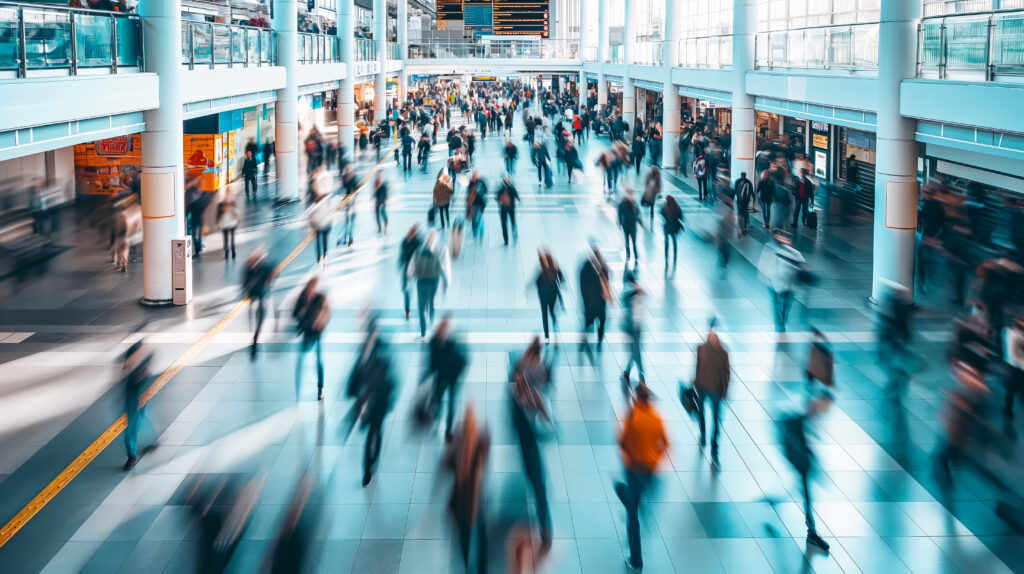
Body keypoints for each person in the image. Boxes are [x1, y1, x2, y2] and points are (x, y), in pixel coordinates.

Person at [613, 383, 668, 571]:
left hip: (634, 470)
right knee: (638, 500)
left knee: (632, 512)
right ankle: (634, 502)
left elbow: (622, 442)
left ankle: (636, 559)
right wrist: (654, 460)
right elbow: (666, 444)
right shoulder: (657, 418)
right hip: (650, 471)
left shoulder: (632, 417)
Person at [511, 338, 553, 547]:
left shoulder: (520, 364)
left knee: (534, 477)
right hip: (530, 430)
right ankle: (545, 527)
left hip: (524, 430)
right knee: (539, 484)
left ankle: (544, 526)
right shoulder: (537, 372)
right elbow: (543, 388)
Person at [445, 406, 490, 574]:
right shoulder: (480, 444)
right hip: (474, 501)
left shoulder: (458, 448)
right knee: (480, 537)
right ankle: (479, 568)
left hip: (460, 502)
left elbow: (447, 465)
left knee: (464, 539)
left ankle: (468, 567)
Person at [423, 316, 468, 440]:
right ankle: (436, 418)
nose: (445, 333)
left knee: (451, 404)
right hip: (441, 378)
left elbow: (462, 360)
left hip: (452, 378)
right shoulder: (434, 343)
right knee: (438, 401)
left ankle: (448, 430)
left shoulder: (451, 343)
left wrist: (458, 370)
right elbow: (431, 361)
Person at [694, 321, 730, 469]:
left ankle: (714, 449)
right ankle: (703, 433)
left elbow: (727, 374)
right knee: (701, 412)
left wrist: (724, 391)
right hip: (703, 387)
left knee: (716, 420)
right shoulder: (701, 349)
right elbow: (697, 367)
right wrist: (695, 382)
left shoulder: (723, 353)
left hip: (715, 390)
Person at [758, 231, 805, 332]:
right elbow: (764, 264)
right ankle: (779, 323)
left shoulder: (796, 253)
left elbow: (802, 267)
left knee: (786, 305)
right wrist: (766, 277)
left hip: (789, 285)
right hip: (774, 283)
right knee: (777, 304)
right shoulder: (771, 249)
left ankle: (782, 321)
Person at [293, 276, 330, 401]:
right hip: (306, 332)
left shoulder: (320, 298)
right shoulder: (303, 297)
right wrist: (302, 312)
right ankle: (298, 388)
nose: (310, 291)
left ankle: (320, 387)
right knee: (301, 360)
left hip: (316, 332)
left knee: (319, 361)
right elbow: (295, 313)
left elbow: (326, 313)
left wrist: (320, 323)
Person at [408, 231, 450, 339]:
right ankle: (431, 319)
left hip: (421, 281)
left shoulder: (419, 250)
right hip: (433, 280)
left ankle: (423, 332)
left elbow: (411, 269)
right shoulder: (441, 249)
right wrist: (446, 281)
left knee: (421, 307)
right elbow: (444, 268)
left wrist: (411, 276)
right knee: (432, 301)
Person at [122, 341, 153, 471]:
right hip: (133, 393)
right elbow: (125, 370)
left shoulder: (147, 356)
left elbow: (145, 373)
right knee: (132, 424)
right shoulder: (131, 359)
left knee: (142, 417)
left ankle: (151, 439)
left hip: (141, 390)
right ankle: (131, 456)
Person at [579, 243, 611, 364]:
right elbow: (583, 287)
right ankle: (588, 341)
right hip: (591, 303)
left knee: (601, 322)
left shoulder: (601, 268)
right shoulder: (586, 269)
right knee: (589, 324)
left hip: (599, 302)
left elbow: (607, 274)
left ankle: (598, 339)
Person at [243, 247, 274, 359]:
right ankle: (255, 341)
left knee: (258, 321)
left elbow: (245, 282)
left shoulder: (260, 267)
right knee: (256, 321)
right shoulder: (250, 268)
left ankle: (255, 341)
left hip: (258, 296)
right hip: (256, 296)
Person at [620, 270, 646, 390]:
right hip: (633, 328)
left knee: (635, 352)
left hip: (634, 327)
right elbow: (625, 297)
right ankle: (638, 376)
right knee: (636, 352)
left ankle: (631, 373)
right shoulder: (630, 289)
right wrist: (636, 290)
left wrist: (637, 290)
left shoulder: (634, 289)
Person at [534, 250, 565, 343]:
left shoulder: (542, 270)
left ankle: (547, 336)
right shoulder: (556, 269)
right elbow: (562, 279)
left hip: (543, 296)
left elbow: (537, 282)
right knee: (552, 312)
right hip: (553, 295)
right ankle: (555, 325)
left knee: (544, 315)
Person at [399, 225, 423, 321]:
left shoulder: (418, 242)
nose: (411, 234)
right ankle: (407, 311)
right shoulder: (404, 241)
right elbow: (402, 254)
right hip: (407, 270)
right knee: (406, 291)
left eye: (413, 233)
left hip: (416, 269)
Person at [617, 188, 641, 265]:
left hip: (633, 225)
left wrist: (639, 220)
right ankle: (628, 254)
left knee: (634, 242)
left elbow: (638, 213)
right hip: (626, 225)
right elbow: (619, 214)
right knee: (627, 241)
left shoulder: (634, 203)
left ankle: (635, 255)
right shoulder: (623, 203)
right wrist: (620, 223)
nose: (631, 196)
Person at [497, 174, 520, 245]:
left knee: (509, 223)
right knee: (506, 224)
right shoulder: (509, 188)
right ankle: (507, 238)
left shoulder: (505, 188)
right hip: (507, 209)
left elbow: (498, 197)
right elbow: (516, 196)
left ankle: (511, 235)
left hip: (507, 208)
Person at [661, 195, 684, 268]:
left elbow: (662, 213)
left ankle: (666, 257)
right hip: (675, 227)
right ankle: (675, 256)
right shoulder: (677, 208)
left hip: (667, 227)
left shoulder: (665, 208)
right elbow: (681, 217)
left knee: (666, 243)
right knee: (674, 242)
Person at [466, 171, 487, 241]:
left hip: (480, 204)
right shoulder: (471, 183)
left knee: (478, 218)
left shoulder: (481, 182)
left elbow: (486, 190)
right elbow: (468, 193)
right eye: (473, 176)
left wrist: (479, 191)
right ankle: (474, 231)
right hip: (473, 204)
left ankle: (480, 229)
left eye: (475, 176)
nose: (474, 177)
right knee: (473, 219)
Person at [216, 195, 239, 260]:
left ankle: (226, 252)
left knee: (226, 238)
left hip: (225, 225)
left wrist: (218, 224)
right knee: (232, 238)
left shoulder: (221, 206)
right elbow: (236, 214)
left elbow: (218, 216)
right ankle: (233, 251)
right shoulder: (232, 205)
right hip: (232, 225)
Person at [734, 172, 754, 236]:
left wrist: (753, 198)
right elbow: (735, 190)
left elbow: (751, 191)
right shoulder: (738, 181)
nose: (743, 177)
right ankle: (741, 227)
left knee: (744, 214)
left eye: (744, 176)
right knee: (740, 214)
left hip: (745, 201)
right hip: (740, 200)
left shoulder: (748, 182)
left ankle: (744, 228)